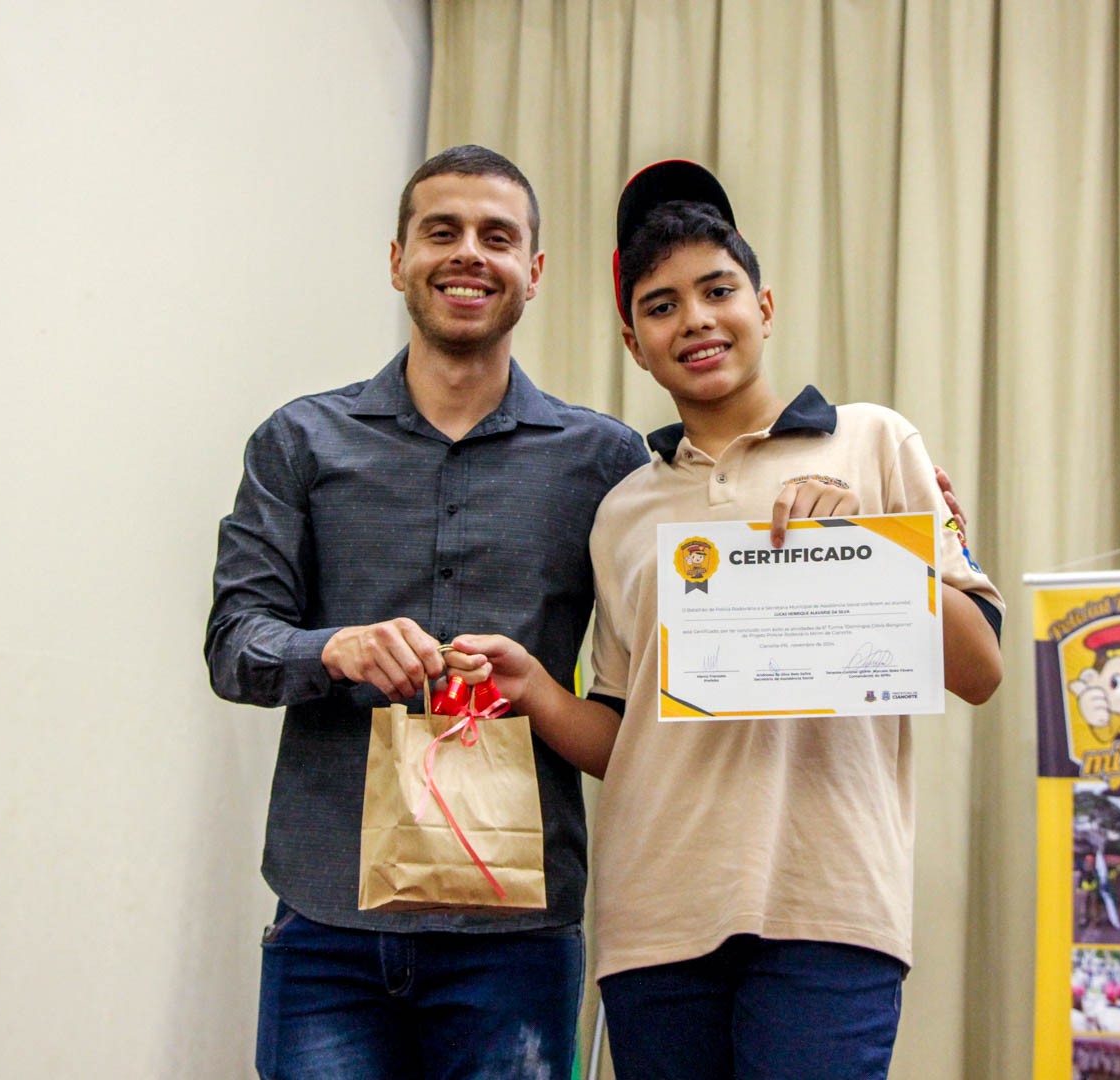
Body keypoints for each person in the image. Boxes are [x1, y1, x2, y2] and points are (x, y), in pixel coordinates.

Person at [445, 160, 1004, 1079]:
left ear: (764, 306)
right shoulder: (623, 509)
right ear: (634, 343)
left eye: (718, 291)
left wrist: (864, 547)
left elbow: (980, 669)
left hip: (829, 906)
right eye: (661, 306)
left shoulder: (874, 442)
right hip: (654, 920)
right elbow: (625, 735)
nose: (696, 320)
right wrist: (537, 691)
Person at [203, 145, 653, 1079]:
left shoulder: (606, 462)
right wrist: (334, 649)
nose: (468, 254)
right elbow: (234, 645)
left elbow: (706, 533)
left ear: (534, 270)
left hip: (517, 934)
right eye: (441, 232)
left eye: (497, 236)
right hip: (327, 917)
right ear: (397, 258)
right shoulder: (299, 441)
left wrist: (845, 489)